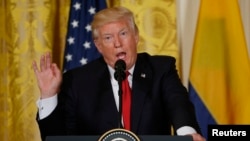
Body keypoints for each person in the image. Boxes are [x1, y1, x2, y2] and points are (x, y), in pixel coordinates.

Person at [33, 6, 206, 141]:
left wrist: (187, 136)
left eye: (123, 34)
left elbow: (178, 105)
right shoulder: (77, 81)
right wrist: (48, 96)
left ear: (136, 36)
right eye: (108, 38)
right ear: (98, 46)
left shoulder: (161, 68)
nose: (117, 43)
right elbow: (57, 138)